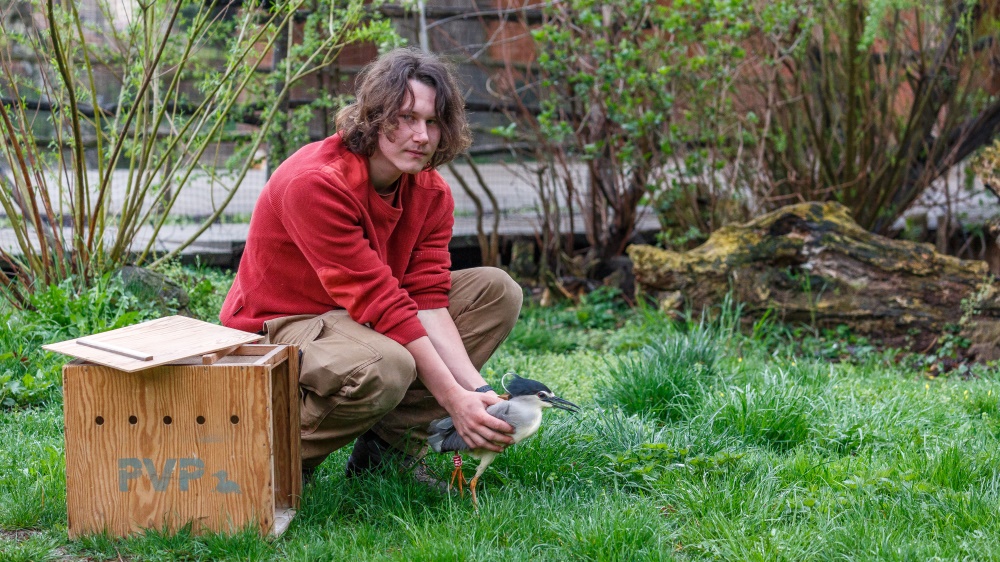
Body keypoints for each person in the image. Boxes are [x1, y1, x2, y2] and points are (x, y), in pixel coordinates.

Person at [220, 47, 522, 484]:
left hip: (358, 315)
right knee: (387, 363)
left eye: (432, 121)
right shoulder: (316, 182)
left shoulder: (430, 192)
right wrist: (453, 401)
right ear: (374, 117)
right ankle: (269, 462)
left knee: (496, 291)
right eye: (405, 118)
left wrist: (476, 392)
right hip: (281, 321)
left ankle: (386, 456)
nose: (421, 135)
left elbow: (426, 300)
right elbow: (381, 303)